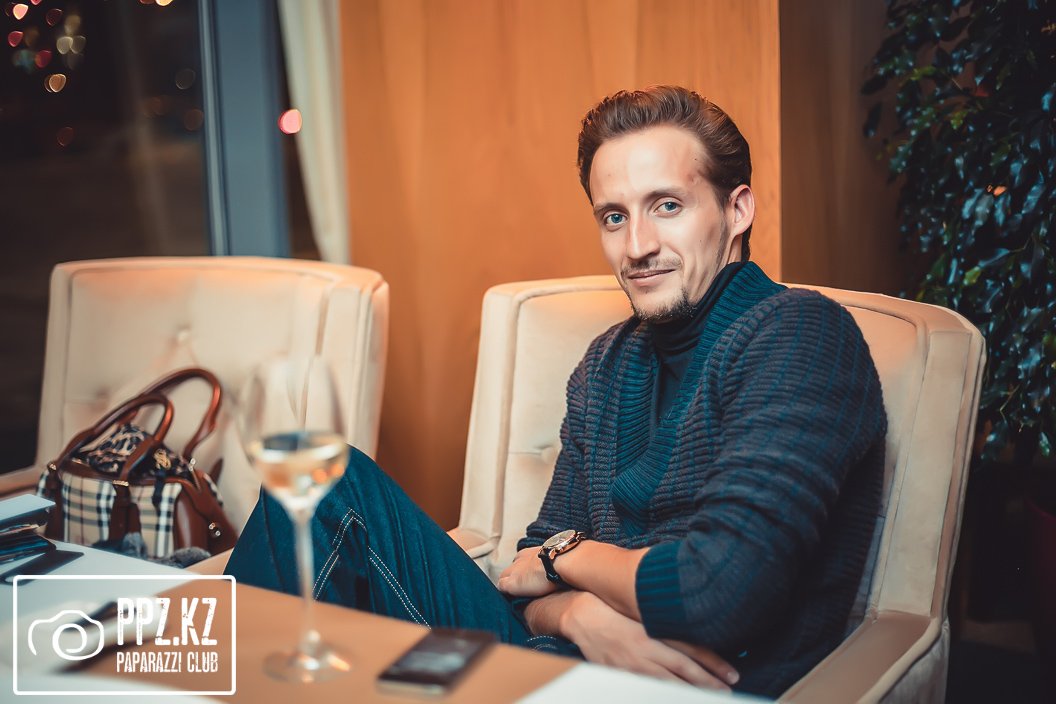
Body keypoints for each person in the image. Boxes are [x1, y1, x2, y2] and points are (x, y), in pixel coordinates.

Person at [226, 85, 886, 698]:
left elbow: (716, 593)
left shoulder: (802, 335)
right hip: (552, 665)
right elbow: (522, 578)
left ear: (736, 209)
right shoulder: (606, 364)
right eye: (614, 217)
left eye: (667, 206)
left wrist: (570, 556)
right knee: (321, 479)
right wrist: (578, 615)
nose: (638, 245)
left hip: (686, 688)